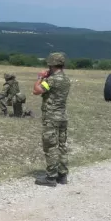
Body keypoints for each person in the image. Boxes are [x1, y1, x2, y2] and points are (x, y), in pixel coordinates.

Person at [32, 52, 70, 187]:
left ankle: (51, 177)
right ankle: (62, 175)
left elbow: (37, 91)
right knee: (62, 146)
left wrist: (40, 78)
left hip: (51, 117)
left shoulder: (52, 80)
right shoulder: (66, 79)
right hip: (63, 116)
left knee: (50, 147)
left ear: (51, 64)